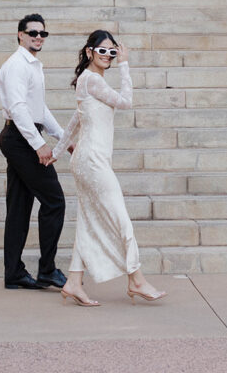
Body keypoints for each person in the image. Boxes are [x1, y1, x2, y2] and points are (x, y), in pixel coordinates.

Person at [49, 29, 166, 307]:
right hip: (92, 162)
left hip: (89, 160)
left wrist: (56, 152)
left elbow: (75, 122)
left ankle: (74, 282)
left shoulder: (88, 81)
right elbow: (126, 101)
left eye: (113, 52)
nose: (108, 56)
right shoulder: (91, 81)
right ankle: (136, 279)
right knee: (120, 218)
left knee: (88, 222)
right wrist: (125, 65)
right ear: (89, 52)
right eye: (103, 51)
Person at [0, 13, 68, 291]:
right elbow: (18, 108)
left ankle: (14, 272)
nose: (38, 37)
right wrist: (38, 144)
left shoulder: (32, 65)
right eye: (33, 32)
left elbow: (39, 107)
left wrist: (62, 137)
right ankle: (48, 270)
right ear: (20, 34)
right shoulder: (17, 65)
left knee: (19, 208)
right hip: (20, 138)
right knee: (54, 201)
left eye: (42, 34)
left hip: (20, 136)